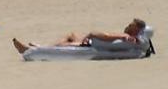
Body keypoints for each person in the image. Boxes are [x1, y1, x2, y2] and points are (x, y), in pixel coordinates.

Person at [12, 17, 148, 55]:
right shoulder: (131, 37)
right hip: (90, 41)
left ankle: (30, 49)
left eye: (131, 25)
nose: (128, 26)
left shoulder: (125, 36)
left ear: (135, 30)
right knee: (71, 35)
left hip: (90, 44)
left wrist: (91, 35)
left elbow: (107, 36)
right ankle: (43, 46)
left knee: (63, 45)